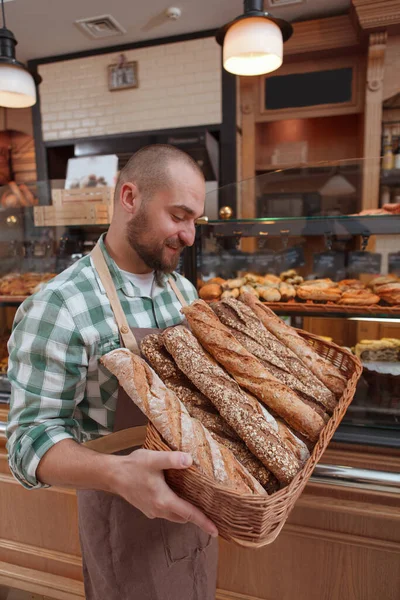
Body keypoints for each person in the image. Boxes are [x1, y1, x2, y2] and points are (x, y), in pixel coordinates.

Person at [6, 144, 218, 600]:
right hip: (121, 516)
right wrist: (118, 475)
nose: (189, 236)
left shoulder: (180, 290)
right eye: (178, 216)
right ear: (129, 198)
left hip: (191, 503)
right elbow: (27, 443)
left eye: (194, 221)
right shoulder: (58, 306)